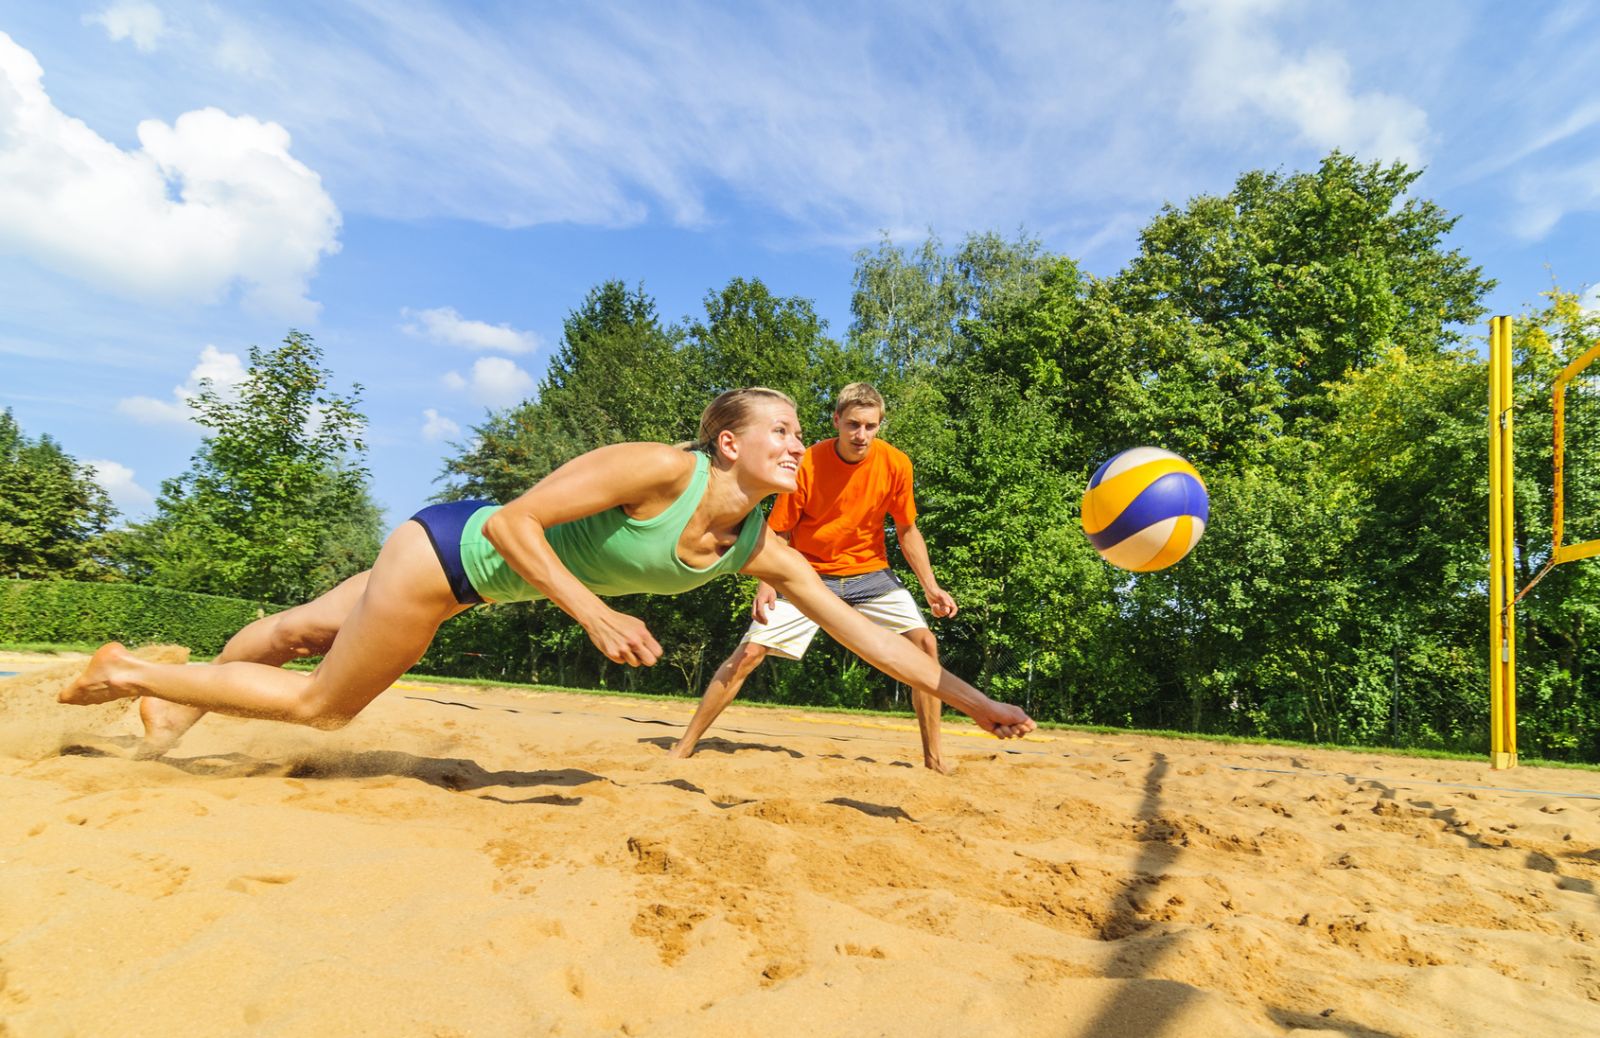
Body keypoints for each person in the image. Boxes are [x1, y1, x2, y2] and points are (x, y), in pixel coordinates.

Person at [61, 388, 1035, 756]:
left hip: (454, 562)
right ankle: (138, 670)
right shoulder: (662, 469)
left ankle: (166, 713)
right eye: (780, 428)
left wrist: (976, 699)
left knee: (289, 633)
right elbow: (520, 519)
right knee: (322, 705)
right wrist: (592, 613)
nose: (797, 441)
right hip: (452, 558)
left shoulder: (761, 546)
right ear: (729, 443)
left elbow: (869, 635)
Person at [670, 383, 963, 771]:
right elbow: (778, 532)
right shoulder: (806, 461)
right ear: (837, 420)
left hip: (870, 573)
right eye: (854, 425)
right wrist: (766, 583)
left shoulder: (896, 464)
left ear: (880, 426)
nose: (861, 435)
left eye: (871, 426)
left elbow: (907, 531)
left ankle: (934, 759)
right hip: (806, 573)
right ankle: (685, 745)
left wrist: (931, 586)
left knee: (925, 645)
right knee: (750, 653)